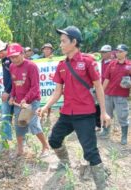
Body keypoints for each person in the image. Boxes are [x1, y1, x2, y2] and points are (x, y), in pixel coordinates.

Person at [37, 26, 111, 189]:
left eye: (64, 41)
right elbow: (58, 92)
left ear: (74, 42)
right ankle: (65, 163)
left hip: (85, 114)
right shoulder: (61, 65)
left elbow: (98, 87)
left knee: (90, 152)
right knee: (54, 139)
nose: (61, 44)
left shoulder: (88, 62)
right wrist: (45, 107)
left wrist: (103, 113)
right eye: (61, 41)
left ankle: (101, 185)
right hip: (66, 114)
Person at [8, 43, 49, 157]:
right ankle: (20, 150)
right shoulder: (12, 66)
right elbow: (14, 84)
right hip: (19, 102)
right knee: (19, 125)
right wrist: (12, 96)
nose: (14, 59)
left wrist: (26, 99)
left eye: (16, 56)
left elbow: (35, 87)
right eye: (11, 57)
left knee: (33, 123)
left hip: (32, 101)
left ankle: (45, 146)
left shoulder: (31, 66)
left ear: (22, 54)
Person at [101, 44, 131, 145]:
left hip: (121, 95)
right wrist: (101, 91)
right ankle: (105, 131)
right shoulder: (112, 64)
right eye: (117, 51)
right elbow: (106, 79)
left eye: (120, 51)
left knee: (122, 116)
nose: (118, 53)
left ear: (125, 52)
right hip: (108, 93)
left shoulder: (129, 65)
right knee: (107, 114)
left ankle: (123, 137)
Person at [95, 45, 112, 132]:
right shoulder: (99, 62)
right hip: (98, 87)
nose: (103, 54)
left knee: (106, 108)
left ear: (110, 53)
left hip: (108, 90)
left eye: (105, 52)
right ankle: (98, 125)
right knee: (97, 106)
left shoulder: (113, 63)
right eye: (102, 52)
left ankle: (106, 128)